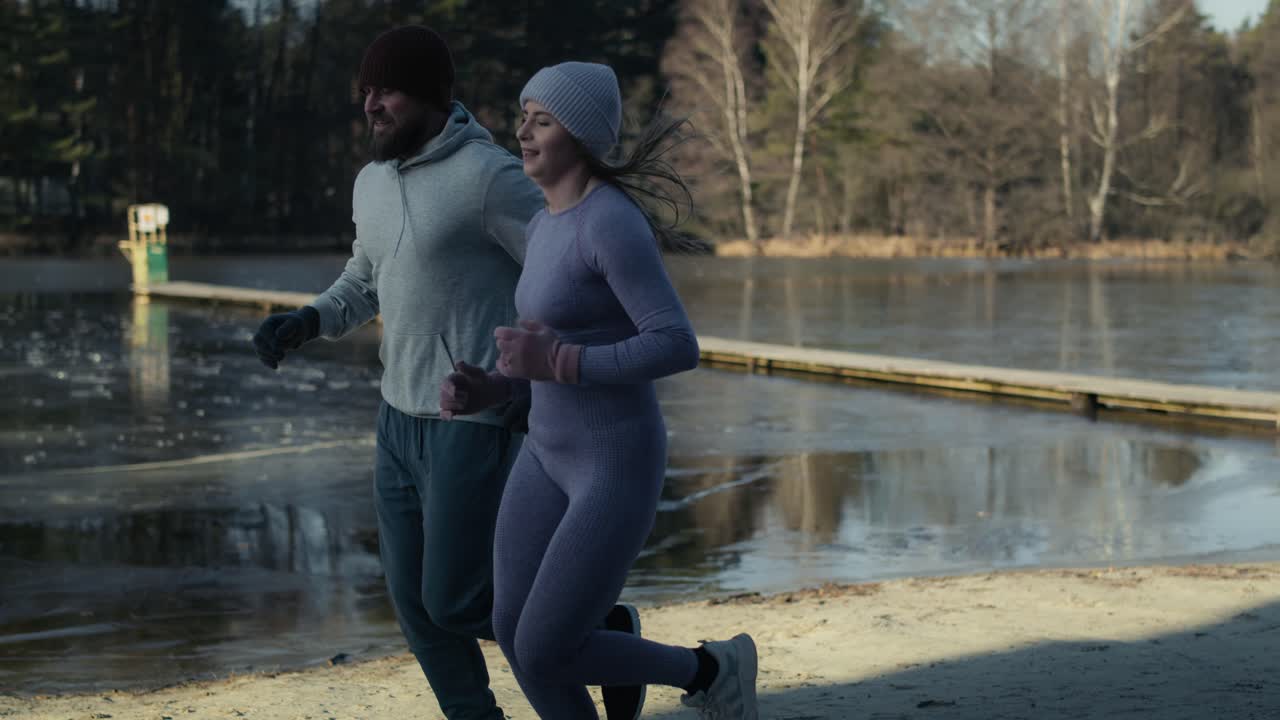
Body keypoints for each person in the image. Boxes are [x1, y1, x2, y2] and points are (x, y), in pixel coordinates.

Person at [250, 29, 642, 720]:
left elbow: (567, 265)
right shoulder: (371, 181)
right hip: (395, 419)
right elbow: (363, 277)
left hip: (474, 418)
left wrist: (546, 371)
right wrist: (308, 320)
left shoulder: (489, 177)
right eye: (365, 91)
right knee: (416, 607)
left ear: (433, 95)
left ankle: (594, 632)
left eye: (387, 90)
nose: (371, 104)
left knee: (456, 599)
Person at [439, 61, 759, 719]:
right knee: (513, 630)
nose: (523, 131)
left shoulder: (610, 223)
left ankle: (711, 668)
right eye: (523, 115)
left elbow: (675, 343)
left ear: (579, 136)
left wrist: (557, 362)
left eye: (543, 120)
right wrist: (495, 388)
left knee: (549, 645)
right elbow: (546, 362)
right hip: (546, 453)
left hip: (614, 460)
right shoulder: (544, 225)